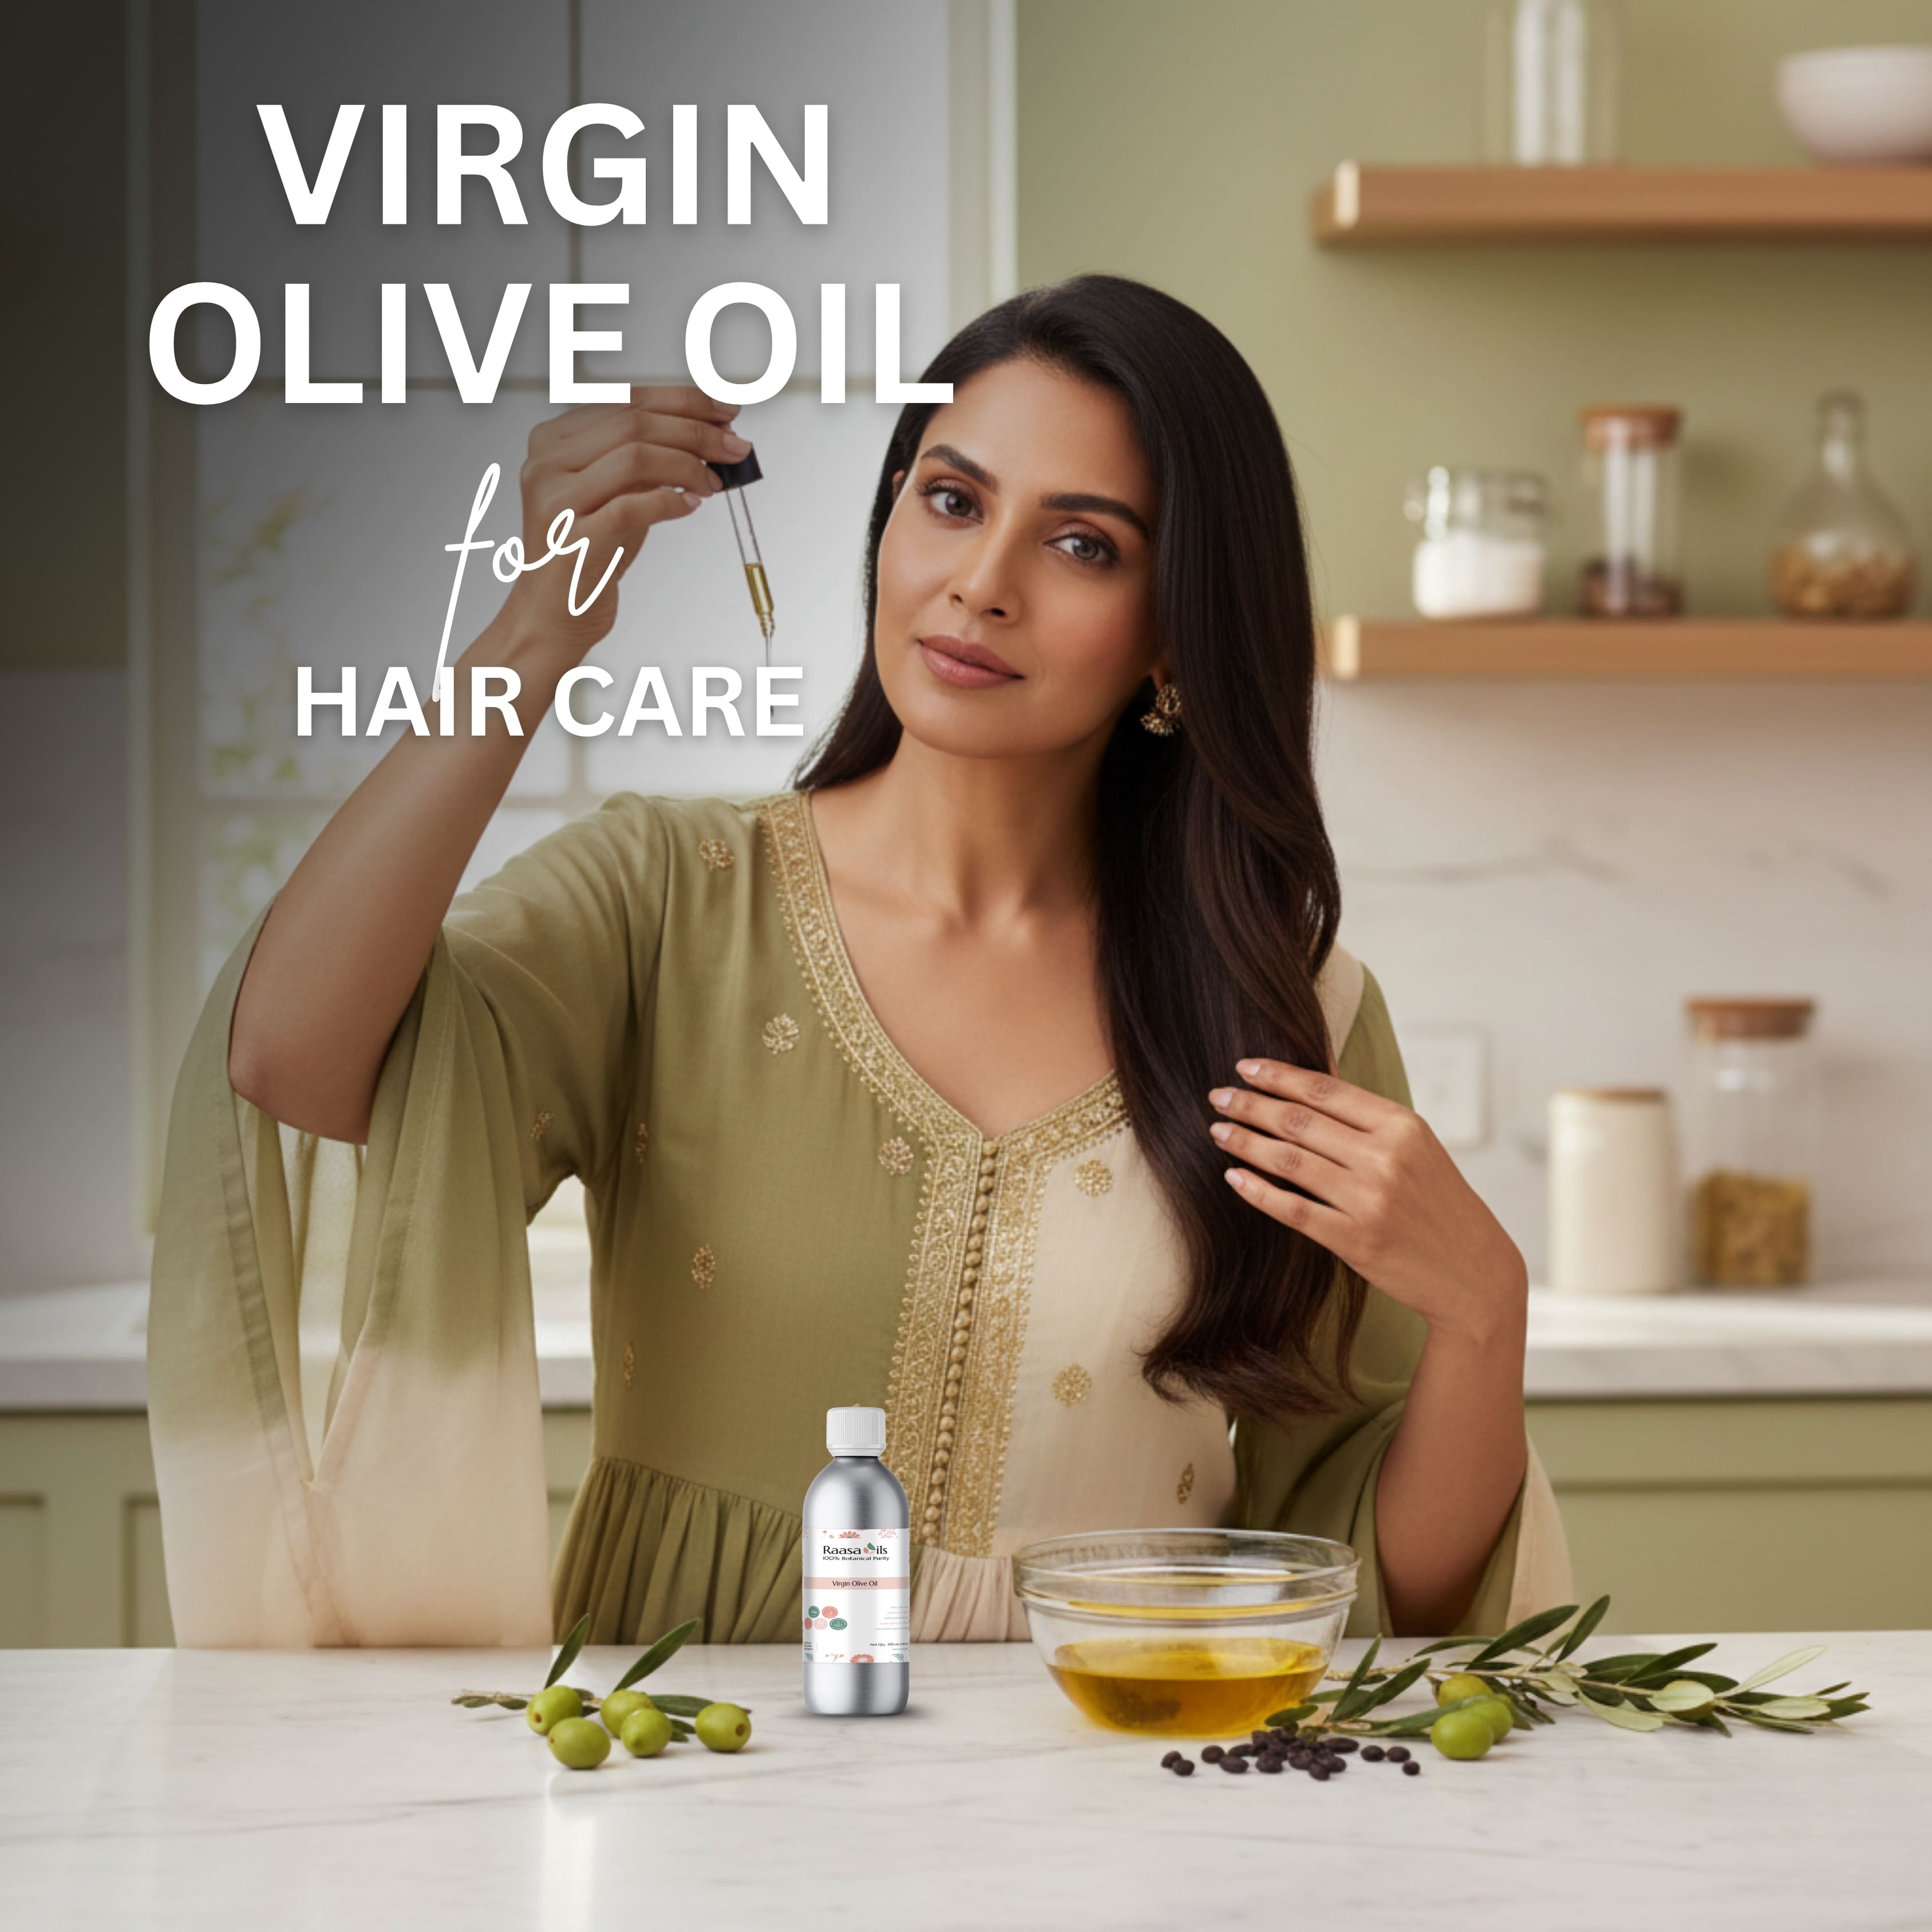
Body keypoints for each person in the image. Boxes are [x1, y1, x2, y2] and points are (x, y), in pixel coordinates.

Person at [149, 274, 1570, 1649]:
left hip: (1119, 1768)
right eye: (950, 500)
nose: (980, 584)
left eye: (1083, 545)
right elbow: (290, 1059)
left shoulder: (1284, 1010)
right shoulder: (665, 902)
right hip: (705, 1763)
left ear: (1175, 635)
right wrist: (537, 627)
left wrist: (1482, 1314)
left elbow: (1382, 1583)